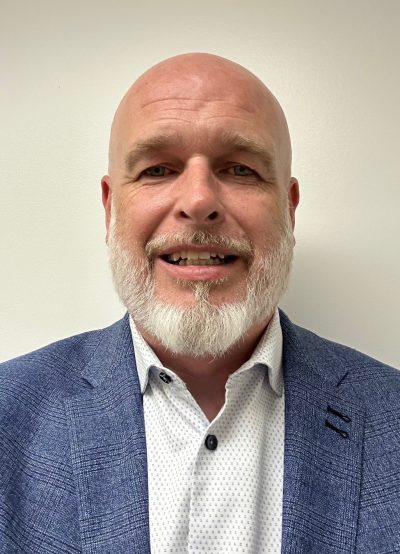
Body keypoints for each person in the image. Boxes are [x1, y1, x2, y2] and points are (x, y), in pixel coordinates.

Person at [0, 53, 399, 554]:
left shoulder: (391, 418)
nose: (198, 201)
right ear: (110, 207)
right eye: (157, 169)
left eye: (240, 169)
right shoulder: (9, 414)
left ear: (289, 209)